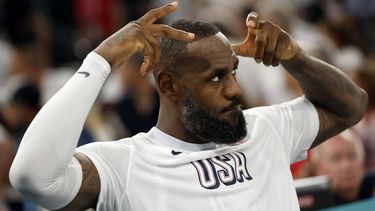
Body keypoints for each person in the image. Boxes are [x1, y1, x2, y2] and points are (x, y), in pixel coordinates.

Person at [9, 2, 367, 211]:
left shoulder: (266, 129)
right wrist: (101, 60)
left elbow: (350, 107)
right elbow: (32, 176)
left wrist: (295, 58)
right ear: (168, 85)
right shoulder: (125, 165)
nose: (234, 90)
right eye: (216, 78)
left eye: (233, 73)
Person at [310, 130, 375, 206]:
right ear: (318, 168)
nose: (346, 166)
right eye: (336, 158)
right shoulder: (304, 202)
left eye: (352, 155)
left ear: (363, 161)